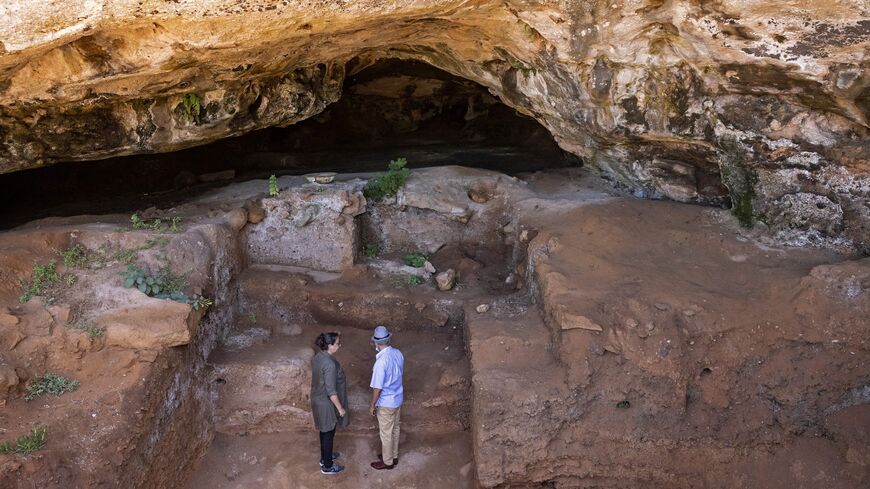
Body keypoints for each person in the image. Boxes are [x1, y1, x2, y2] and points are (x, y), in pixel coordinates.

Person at [311, 332, 349, 475]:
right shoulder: (329, 364)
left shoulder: (319, 356)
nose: (339, 345)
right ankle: (327, 466)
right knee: (328, 433)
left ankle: (325, 457)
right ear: (330, 345)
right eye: (338, 343)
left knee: (324, 430)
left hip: (317, 399)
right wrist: (340, 408)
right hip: (325, 403)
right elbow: (331, 391)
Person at [369, 325, 405, 470]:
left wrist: (372, 404)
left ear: (376, 343)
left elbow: (377, 387)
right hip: (398, 398)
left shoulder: (380, 362)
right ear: (388, 339)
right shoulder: (398, 353)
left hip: (386, 402)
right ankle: (393, 456)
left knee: (386, 433)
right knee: (395, 428)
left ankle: (388, 462)